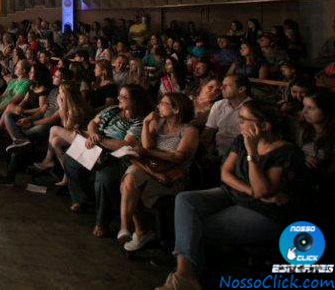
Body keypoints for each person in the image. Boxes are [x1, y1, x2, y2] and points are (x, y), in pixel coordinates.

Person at [159, 101, 306, 290]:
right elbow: (226, 174)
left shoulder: (286, 153)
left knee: (195, 228)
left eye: (244, 119)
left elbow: (263, 190)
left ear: (264, 125)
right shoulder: (240, 140)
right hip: (237, 195)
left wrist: (252, 152)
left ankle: (186, 277)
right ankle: (186, 277)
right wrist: (250, 191)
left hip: (265, 211)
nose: (240, 123)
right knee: (184, 199)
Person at [61, 84, 151, 237]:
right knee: (70, 159)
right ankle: (82, 199)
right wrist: (93, 135)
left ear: (135, 101)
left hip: (118, 156)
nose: (119, 99)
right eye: (119, 95)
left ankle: (102, 222)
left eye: (124, 97)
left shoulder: (139, 120)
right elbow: (92, 123)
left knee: (104, 178)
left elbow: (125, 143)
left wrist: (98, 140)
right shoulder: (113, 109)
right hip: (97, 146)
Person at [118, 93, 199, 252]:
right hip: (150, 168)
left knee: (130, 185)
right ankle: (126, 227)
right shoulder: (159, 123)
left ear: (176, 109)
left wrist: (149, 153)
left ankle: (140, 231)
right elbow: (147, 146)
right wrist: (147, 123)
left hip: (170, 175)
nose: (159, 106)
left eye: (164, 103)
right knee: (130, 178)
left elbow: (177, 157)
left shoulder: (189, 130)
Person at [202, 74, 251, 162]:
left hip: (242, 155)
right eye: (222, 85)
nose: (221, 88)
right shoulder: (219, 104)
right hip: (219, 152)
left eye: (226, 86)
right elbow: (208, 133)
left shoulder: (252, 109)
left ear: (241, 89)